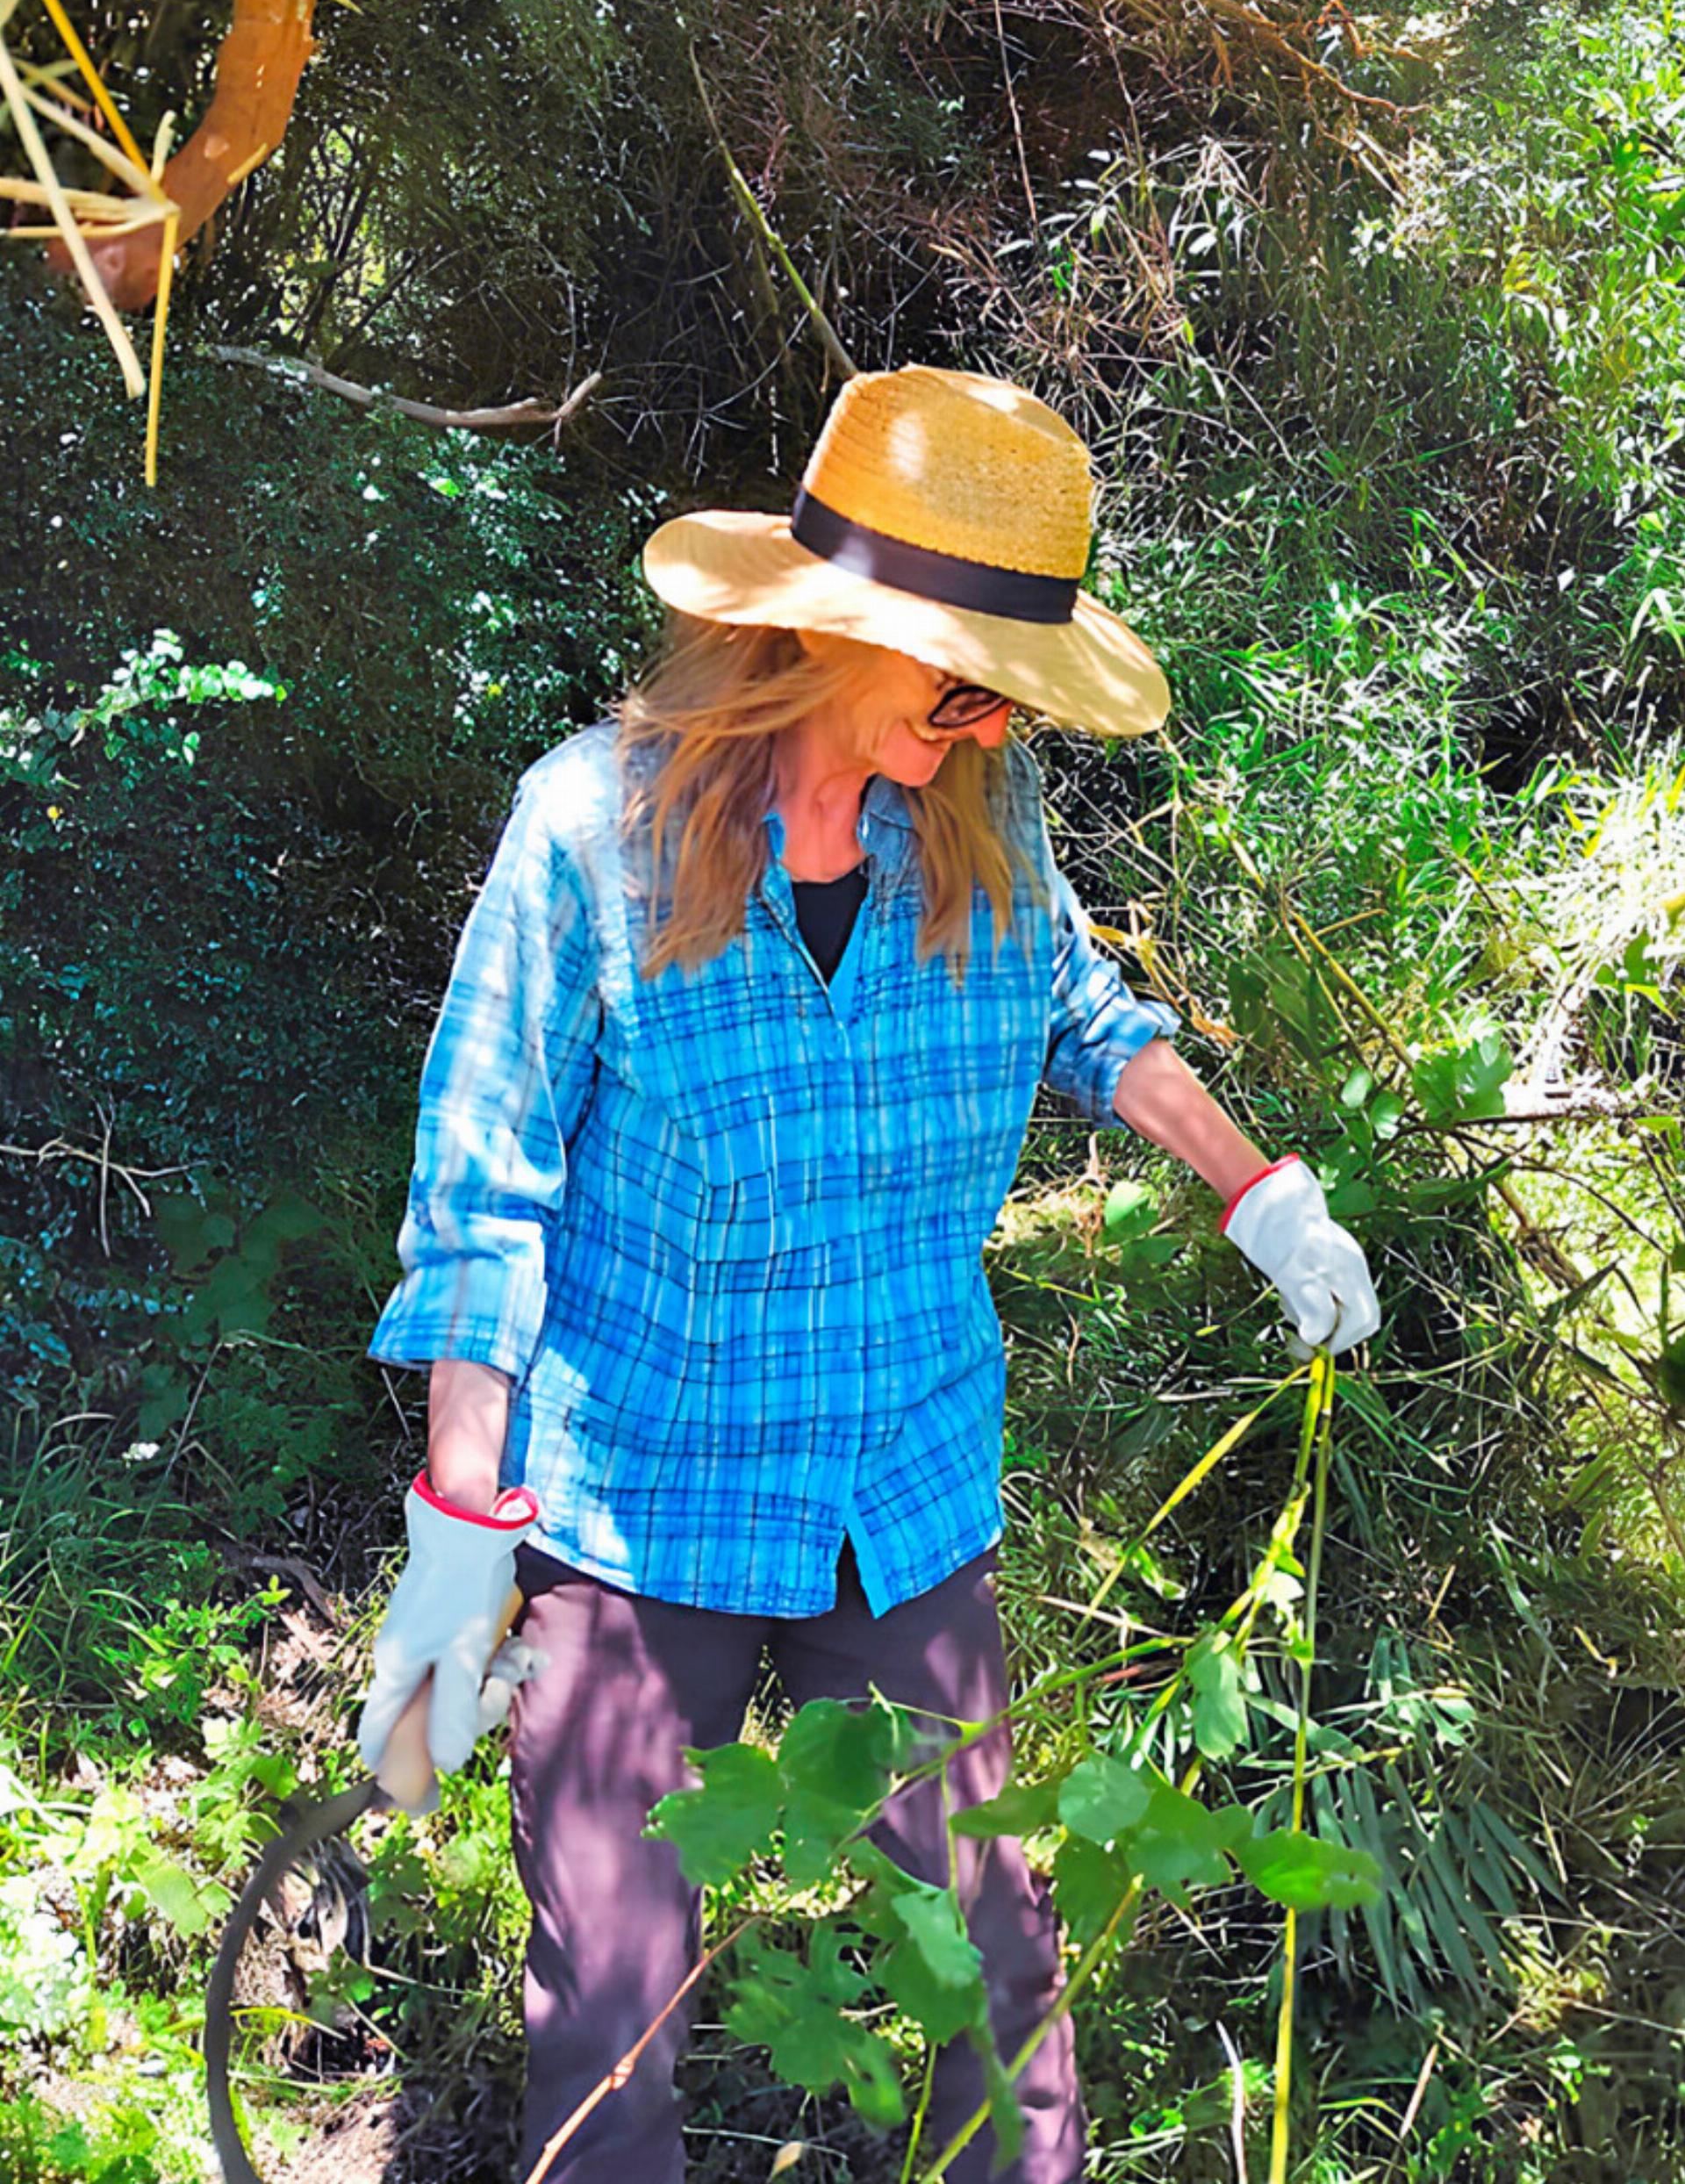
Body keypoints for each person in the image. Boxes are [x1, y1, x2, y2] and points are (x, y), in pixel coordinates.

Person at [355, 365, 1379, 2184]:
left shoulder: (982, 822)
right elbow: (486, 1185)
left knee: (996, 1964)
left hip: (898, 1492)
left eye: (1011, 691)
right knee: (609, 2012)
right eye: (965, 680)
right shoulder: (591, 830)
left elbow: (1087, 1019)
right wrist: (460, 1521)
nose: (989, 726)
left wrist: (1264, 1196)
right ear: (830, 635)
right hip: (638, 1497)